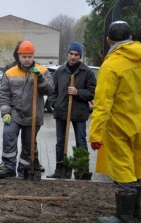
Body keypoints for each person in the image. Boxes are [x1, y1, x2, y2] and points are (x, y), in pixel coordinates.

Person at [90, 20, 141, 223]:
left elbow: (102, 103)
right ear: (131, 37)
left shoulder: (111, 65)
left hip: (119, 126)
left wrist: (95, 133)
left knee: (123, 168)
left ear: (108, 41)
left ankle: (124, 215)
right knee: (136, 167)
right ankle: (136, 210)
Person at [0, 40, 54, 178]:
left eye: (29, 57)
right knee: (8, 134)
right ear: (19, 56)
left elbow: (50, 90)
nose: (27, 59)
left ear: (33, 56)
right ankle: (9, 166)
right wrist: (5, 112)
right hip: (15, 114)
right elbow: (4, 94)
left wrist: (40, 78)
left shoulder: (43, 71)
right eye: (24, 56)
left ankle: (23, 169)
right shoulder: (10, 73)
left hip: (33, 114)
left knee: (28, 144)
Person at [47, 42, 96, 179]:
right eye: (71, 54)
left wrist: (78, 92)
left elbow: (92, 93)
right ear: (67, 54)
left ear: (80, 56)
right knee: (60, 141)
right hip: (61, 111)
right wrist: (54, 103)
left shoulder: (87, 72)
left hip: (79, 112)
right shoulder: (59, 72)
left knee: (80, 140)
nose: (73, 57)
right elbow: (52, 91)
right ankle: (60, 168)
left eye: (76, 55)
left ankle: (83, 169)